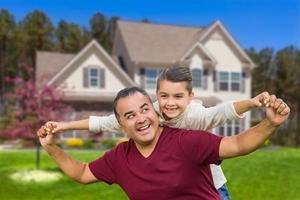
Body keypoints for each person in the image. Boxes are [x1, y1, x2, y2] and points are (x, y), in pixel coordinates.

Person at [46, 66, 272, 200]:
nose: (170, 104)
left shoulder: (193, 121)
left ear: (190, 96)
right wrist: (60, 130)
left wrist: (254, 106)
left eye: (178, 97)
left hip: (211, 180)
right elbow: (100, 125)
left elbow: (228, 122)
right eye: (164, 96)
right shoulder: (148, 116)